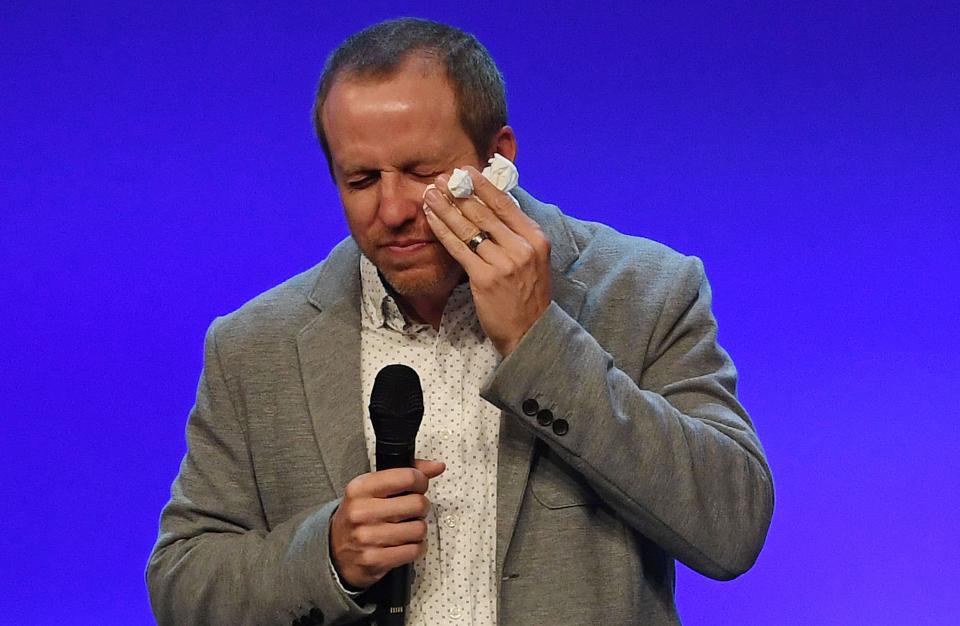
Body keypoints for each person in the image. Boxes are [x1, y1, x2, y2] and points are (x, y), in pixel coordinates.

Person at [147, 17, 774, 626]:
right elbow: (183, 583)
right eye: (361, 179)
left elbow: (731, 527)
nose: (392, 210)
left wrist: (538, 341)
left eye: (422, 173)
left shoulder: (647, 292)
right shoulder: (254, 344)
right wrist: (329, 554)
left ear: (499, 157)